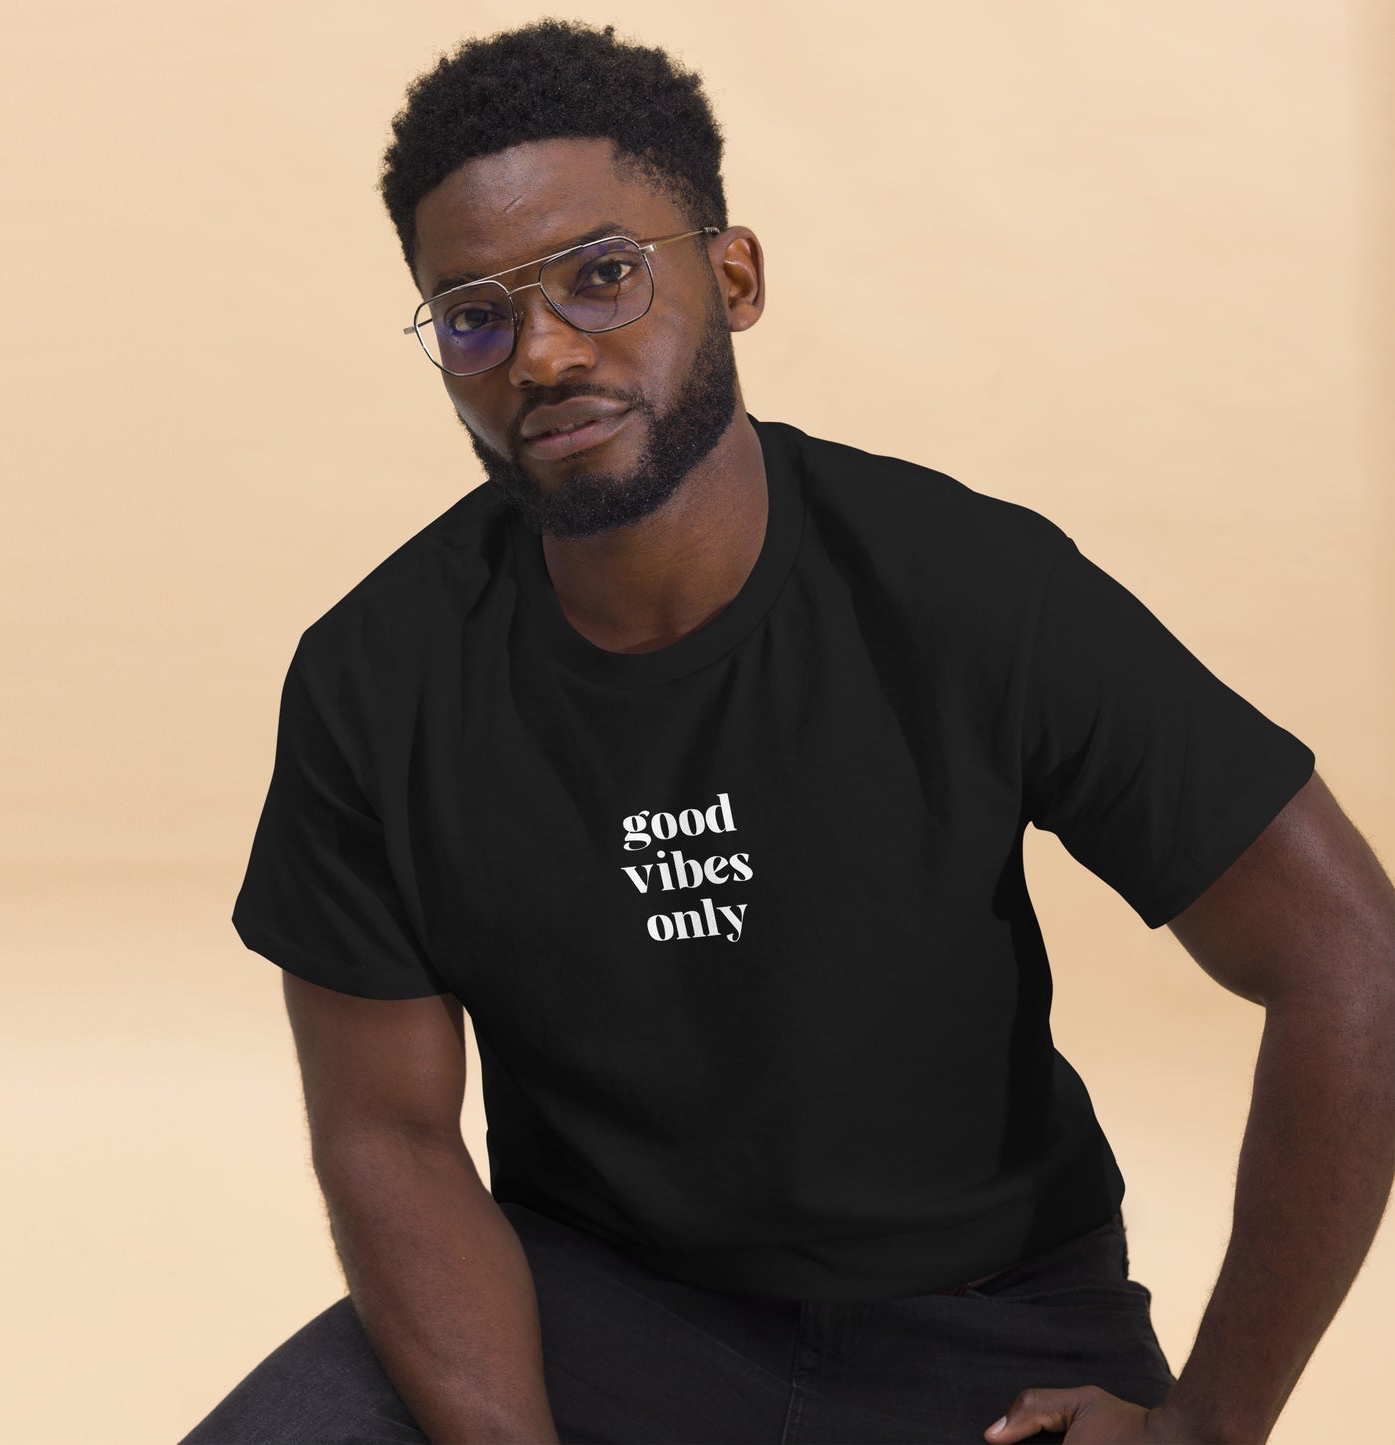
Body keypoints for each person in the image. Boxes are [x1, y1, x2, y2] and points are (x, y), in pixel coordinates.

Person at [180, 20, 1395, 1445]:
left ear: (733, 276)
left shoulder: (963, 587)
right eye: (473, 316)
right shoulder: (372, 679)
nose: (544, 351)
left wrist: (1208, 1424)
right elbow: (386, 1132)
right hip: (589, 1309)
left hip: (982, 1331)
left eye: (602, 275)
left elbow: (1347, 957)